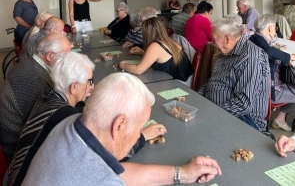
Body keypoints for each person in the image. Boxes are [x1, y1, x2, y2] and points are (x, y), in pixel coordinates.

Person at [22, 73, 222, 186]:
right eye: (138, 128)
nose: (138, 135)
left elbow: (115, 172)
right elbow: (107, 177)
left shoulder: (71, 122)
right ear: (119, 125)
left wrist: (183, 173)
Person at [7, 52, 95, 186]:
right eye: (89, 81)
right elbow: (96, 152)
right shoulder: (67, 117)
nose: (92, 87)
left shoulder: (48, 96)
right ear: (74, 86)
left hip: (14, 174)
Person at [0, 33, 71, 164]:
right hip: (17, 151)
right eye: (66, 56)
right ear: (50, 56)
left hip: (16, 138)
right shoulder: (36, 79)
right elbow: (50, 124)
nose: (68, 61)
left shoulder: (32, 63)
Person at [198, 18, 271, 131]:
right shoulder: (224, 53)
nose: (211, 43)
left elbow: (243, 104)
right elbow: (211, 81)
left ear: (227, 38)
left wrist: (210, 113)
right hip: (217, 110)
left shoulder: (250, 56)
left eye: (213, 40)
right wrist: (197, 99)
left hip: (243, 119)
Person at [249, 14, 295, 131]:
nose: (275, 31)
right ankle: (280, 119)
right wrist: (290, 57)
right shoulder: (259, 42)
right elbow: (268, 51)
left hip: (259, 86)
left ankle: (280, 119)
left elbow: (269, 50)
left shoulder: (254, 38)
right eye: (275, 28)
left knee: (294, 83)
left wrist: (285, 58)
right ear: (270, 28)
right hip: (268, 91)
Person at [119, 17, 193, 82]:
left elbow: (138, 70)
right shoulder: (170, 41)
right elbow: (162, 59)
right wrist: (142, 52)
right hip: (187, 80)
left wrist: (122, 65)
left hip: (178, 84)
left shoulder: (155, 46)